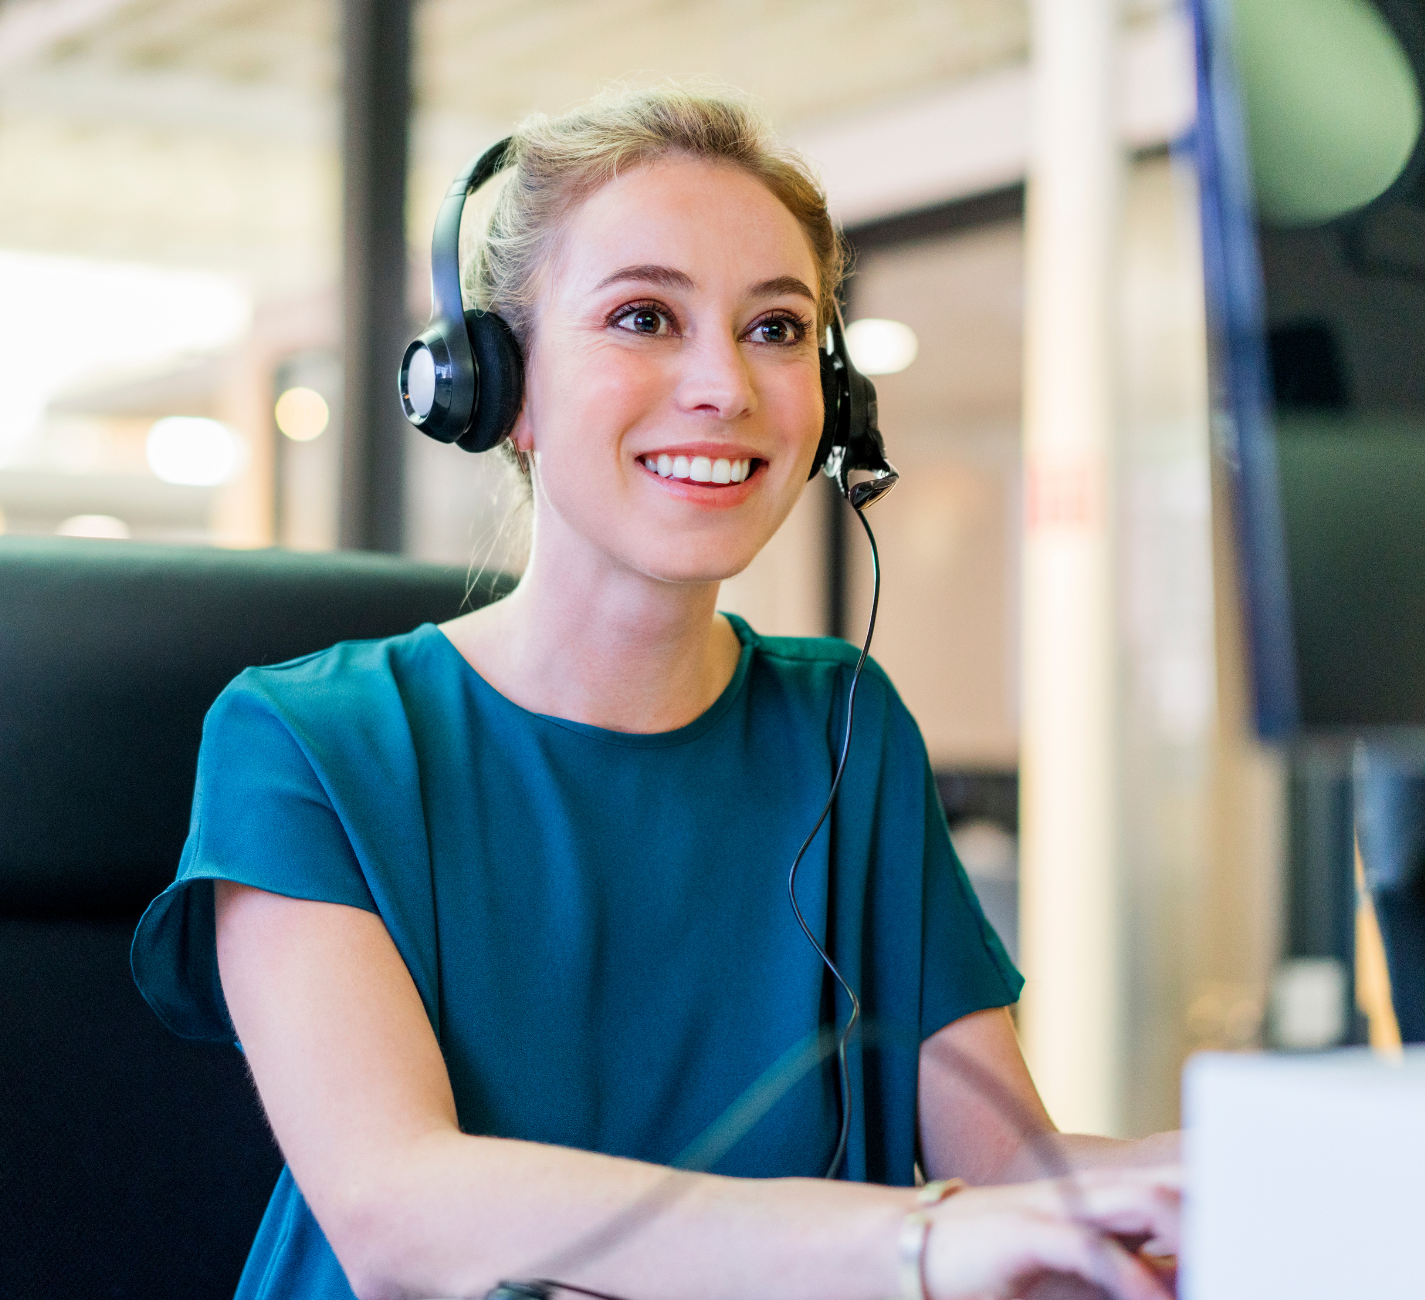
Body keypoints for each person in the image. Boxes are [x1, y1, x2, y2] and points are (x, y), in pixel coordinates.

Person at [133, 86, 1179, 1300]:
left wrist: (1256, 1164)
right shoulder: (308, 741)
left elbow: (1011, 1172)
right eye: (643, 316)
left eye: (777, 330)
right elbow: (401, 1212)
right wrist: (912, 1244)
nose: (725, 386)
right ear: (496, 386)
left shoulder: (841, 727)